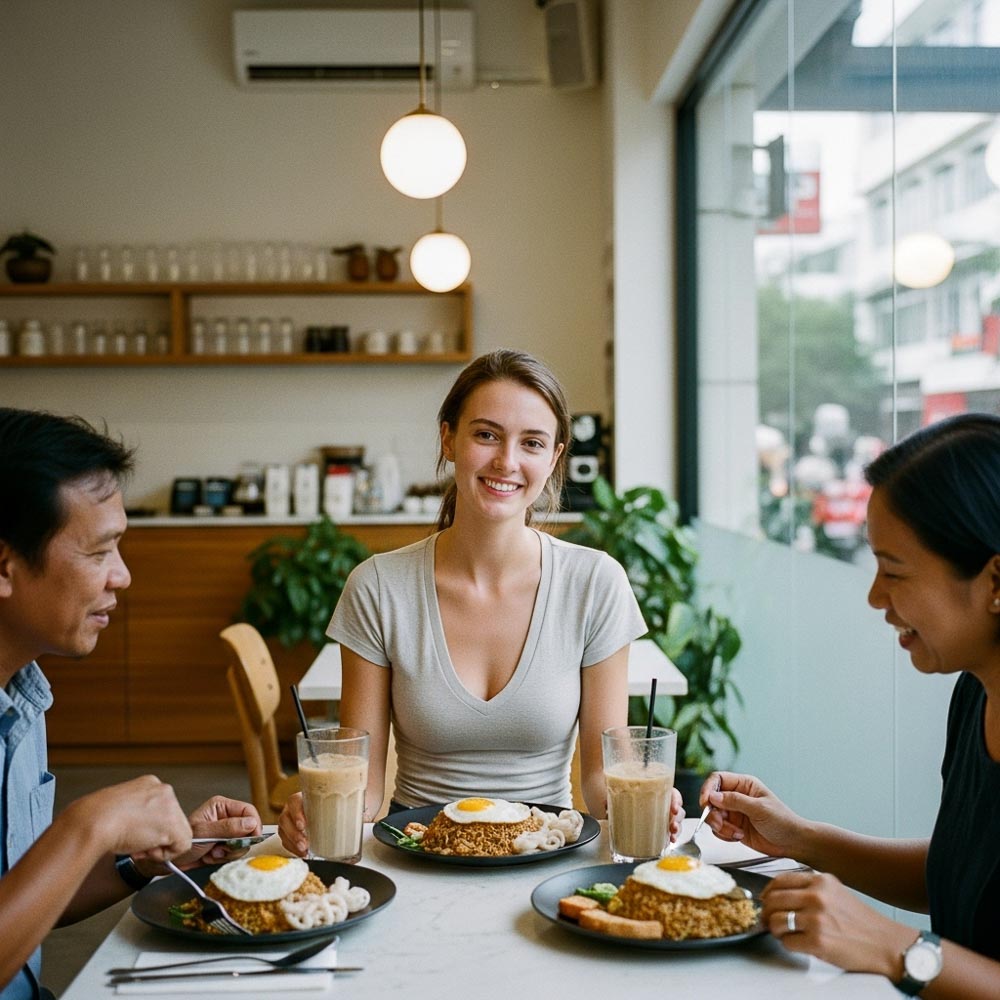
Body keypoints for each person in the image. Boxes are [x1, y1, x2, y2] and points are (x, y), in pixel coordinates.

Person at [280, 349, 683, 853]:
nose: (506, 462)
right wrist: (318, 806)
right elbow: (365, 789)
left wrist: (642, 803)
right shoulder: (378, 587)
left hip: (545, 849)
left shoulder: (595, 583)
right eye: (486, 434)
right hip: (422, 853)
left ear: (554, 458)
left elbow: (602, 780)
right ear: (449, 438)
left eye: (531, 443)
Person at [701, 413, 1000, 998]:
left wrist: (894, 947)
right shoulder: (976, 693)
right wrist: (798, 839)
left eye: (893, 571)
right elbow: (958, 870)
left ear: (994, 582)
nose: (874, 596)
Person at [0, 408, 263, 1000]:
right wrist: (88, 826)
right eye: (99, 552)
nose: (122, 576)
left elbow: (27, 903)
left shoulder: (23, 694)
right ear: (3, 565)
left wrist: (140, 862)